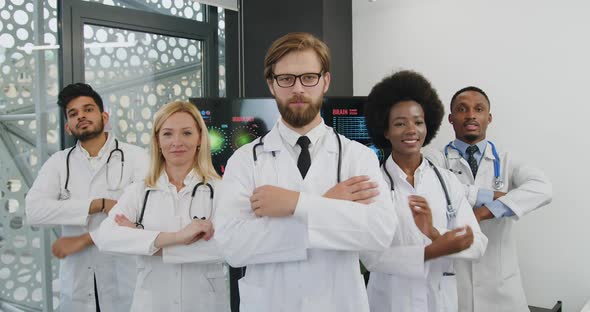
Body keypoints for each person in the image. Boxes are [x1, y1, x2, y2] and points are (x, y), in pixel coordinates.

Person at [214, 32, 398, 312]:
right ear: (271, 84)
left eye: (308, 77)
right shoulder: (245, 160)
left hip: (338, 303)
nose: (298, 88)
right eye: (286, 79)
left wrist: (296, 203)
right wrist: (330, 206)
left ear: (325, 81)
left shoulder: (357, 157)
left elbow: (378, 233)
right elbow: (233, 246)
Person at [360, 70, 488, 312]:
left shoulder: (447, 181)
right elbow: (371, 257)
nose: (411, 130)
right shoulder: (372, 184)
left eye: (418, 122)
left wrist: (434, 234)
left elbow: (478, 244)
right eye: (400, 123)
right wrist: (433, 250)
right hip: (391, 302)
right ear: (385, 131)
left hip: (439, 301)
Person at [91, 101, 229, 312]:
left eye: (186, 133)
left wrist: (143, 239)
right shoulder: (139, 191)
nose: (177, 142)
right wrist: (177, 237)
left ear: (200, 137)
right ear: (157, 140)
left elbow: (227, 247)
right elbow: (105, 237)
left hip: (204, 304)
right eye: (167, 134)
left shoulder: (220, 190)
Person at [424, 86, 552, 312]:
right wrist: (488, 195)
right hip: (453, 285)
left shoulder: (506, 160)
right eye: (462, 109)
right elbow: (432, 186)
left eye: (479, 109)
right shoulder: (435, 158)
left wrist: (487, 210)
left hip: (501, 289)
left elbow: (542, 188)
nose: (471, 114)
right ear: (451, 119)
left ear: (488, 118)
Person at [25, 83, 148, 312]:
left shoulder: (137, 158)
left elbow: (143, 215)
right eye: (73, 113)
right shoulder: (59, 163)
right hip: (78, 286)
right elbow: (34, 211)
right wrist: (97, 205)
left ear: (104, 116)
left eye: (88, 109)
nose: (81, 115)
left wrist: (72, 216)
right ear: (68, 127)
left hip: (125, 281)